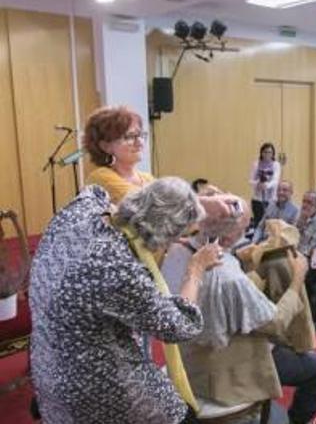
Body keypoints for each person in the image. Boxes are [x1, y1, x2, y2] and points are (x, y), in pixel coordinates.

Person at [30, 178, 220, 424]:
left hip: (45, 363)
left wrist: (190, 201)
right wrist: (195, 269)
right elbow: (180, 326)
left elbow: (97, 191)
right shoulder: (119, 269)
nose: (175, 243)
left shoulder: (82, 209)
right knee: (184, 419)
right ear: (162, 233)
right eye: (175, 237)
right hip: (87, 383)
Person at [162, 203, 316, 424]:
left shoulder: (177, 250)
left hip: (186, 355)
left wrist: (242, 258)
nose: (247, 231)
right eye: (245, 227)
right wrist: (298, 278)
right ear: (229, 236)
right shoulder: (229, 278)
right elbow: (277, 323)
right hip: (223, 369)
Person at [83, 105, 155, 203]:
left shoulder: (147, 178)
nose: (140, 142)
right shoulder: (101, 177)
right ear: (105, 146)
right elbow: (144, 207)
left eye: (141, 135)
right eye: (130, 136)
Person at [249, 142, 282, 227]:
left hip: (271, 199)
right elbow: (251, 180)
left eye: (270, 152)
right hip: (258, 199)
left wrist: (266, 185)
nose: (267, 154)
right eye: (265, 152)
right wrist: (257, 184)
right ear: (261, 153)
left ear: (273, 154)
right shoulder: (256, 164)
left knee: (270, 224)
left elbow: (276, 180)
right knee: (258, 223)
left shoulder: (276, 165)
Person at [294, 190, 316, 258]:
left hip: (307, 257)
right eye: (304, 201)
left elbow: (312, 248)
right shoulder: (300, 213)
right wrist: (301, 223)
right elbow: (293, 236)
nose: (305, 205)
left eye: (309, 202)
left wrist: (296, 255)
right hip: (295, 252)